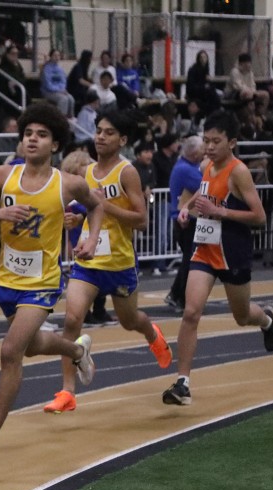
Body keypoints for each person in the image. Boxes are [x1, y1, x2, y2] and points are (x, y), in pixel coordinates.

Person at [0, 103, 104, 462]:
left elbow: (97, 205)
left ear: (55, 144)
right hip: (7, 280)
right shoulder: (2, 176)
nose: (33, 140)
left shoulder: (67, 183)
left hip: (43, 281)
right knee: (33, 346)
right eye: (28, 134)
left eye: (42, 135)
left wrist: (91, 238)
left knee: (11, 351)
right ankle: (77, 351)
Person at [44, 111, 172, 414]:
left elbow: (141, 220)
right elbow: (88, 210)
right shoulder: (86, 173)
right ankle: (67, 391)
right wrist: (76, 219)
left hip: (119, 263)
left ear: (122, 139)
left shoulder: (127, 172)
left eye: (109, 132)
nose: (100, 137)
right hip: (89, 260)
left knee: (130, 320)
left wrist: (106, 206)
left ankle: (152, 334)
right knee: (72, 319)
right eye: (99, 130)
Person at [163, 110, 273, 406]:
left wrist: (220, 212)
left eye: (216, 141)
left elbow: (260, 217)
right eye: (206, 140)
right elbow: (200, 195)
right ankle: (182, 383)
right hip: (204, 249)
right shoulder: (206, 165)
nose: (210, 146)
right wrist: (187, 208)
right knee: (191, 312)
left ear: (232, 142)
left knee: (242, 316)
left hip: (233, 251)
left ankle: (266, 320)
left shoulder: (238, 172)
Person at [165, 135, 206, 311]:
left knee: (188, 259)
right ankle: (182, 297)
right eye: (203, 149)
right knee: (191, 260)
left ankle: (176, 294)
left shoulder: (186, 166)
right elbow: (206, 185)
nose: (205, 152)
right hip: (186, 220)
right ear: (195, 153)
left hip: (186, 218)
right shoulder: (186, 169)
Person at [40, 48, 75, 118]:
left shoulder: (60, 69)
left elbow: (63, 81)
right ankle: (60, 118)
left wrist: (62, 89)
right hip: (49, 92)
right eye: (55, 55)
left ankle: (70, 117)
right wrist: (58, 90)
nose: (57, 57)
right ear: (51, 57)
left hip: (60, 91)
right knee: (63, 99)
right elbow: (48, 84)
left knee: (71, 98)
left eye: (58, 55)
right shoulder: (46, 69)